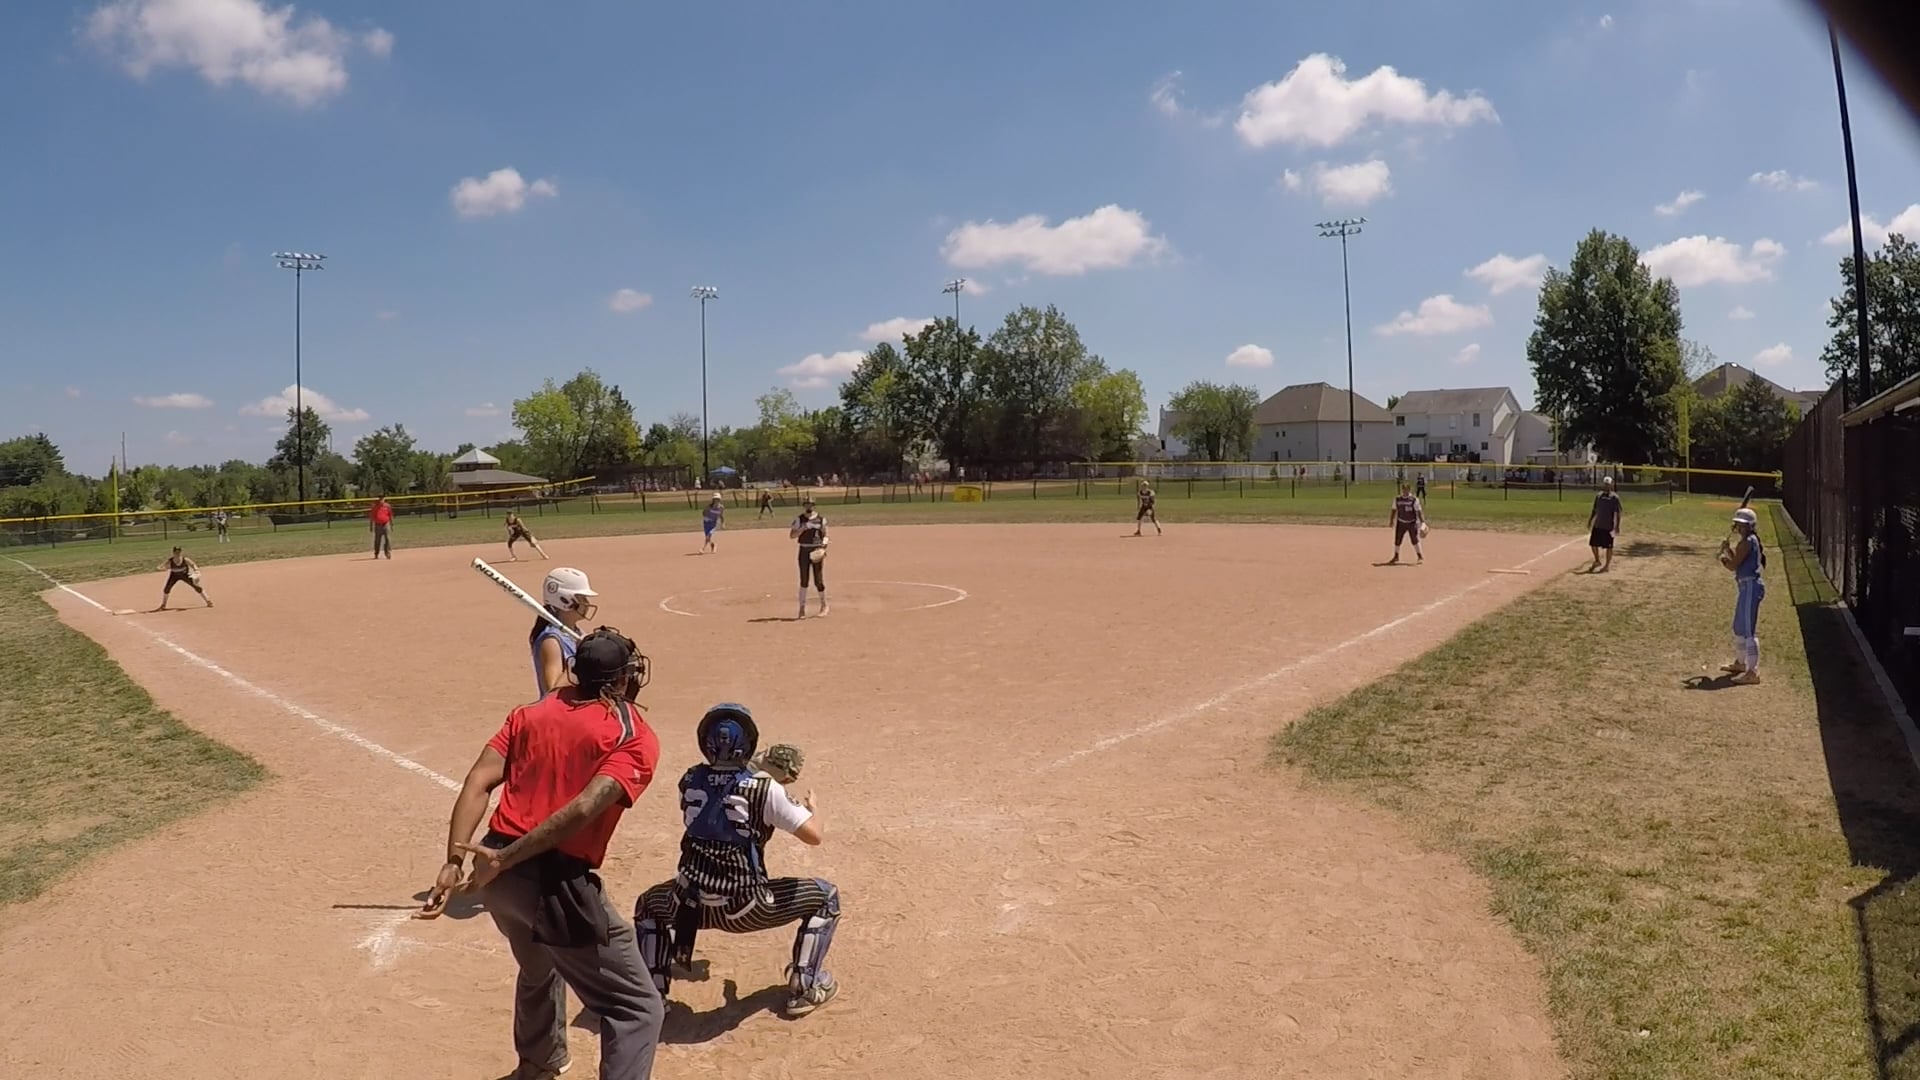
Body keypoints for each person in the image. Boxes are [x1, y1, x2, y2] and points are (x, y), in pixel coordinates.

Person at [420, 627, 665, 1080]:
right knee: (636, 1006)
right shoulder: (631, 734)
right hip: (550, 883)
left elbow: (478, 780)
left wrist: (454, 860)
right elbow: (585, 808)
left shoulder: (530, 713)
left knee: (539, 964)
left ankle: (538, 1063)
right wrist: (510, 857)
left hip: (497, 876)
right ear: (621, 679)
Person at [634, 707, 839, 1017]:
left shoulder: (689, 780)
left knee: (648, 905)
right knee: (826, 897)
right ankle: (805, 988)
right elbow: (814, 836)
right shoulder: (765, 789)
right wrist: (814, 809)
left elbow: (716, 803)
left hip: (689, 906)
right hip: (747, 908)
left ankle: (652, 998)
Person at [531, 568, 613, 698]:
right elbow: (552, 690)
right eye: (582, 598)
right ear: (565, 600)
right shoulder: (551, 640)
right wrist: (579, 659)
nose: (587, 603)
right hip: (561, 709)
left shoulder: (577, 633)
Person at [1717, 507, 1767, 685]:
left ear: (1749, 526)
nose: (1739, 527)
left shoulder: (1748, 542)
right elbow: (1738, 562)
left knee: (1747, 630)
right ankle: (1740, 663)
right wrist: (1727, 550)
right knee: (1738, 627)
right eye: (1738, 524)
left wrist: (1723, 559)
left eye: (1742, 524)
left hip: (1751, 587)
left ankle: (1752, 672)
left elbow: (1732, 566)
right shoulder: (1745, 542)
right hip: (1745, 587)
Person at [789, 498, 829, 618]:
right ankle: (802, 608)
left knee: (818, 580)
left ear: (814, 506)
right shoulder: (799, 519)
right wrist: (802, 528)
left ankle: (824, 605)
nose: (809, 507)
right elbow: (792, 535)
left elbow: (825, 535)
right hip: (804, 550)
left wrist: (824, 546)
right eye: (807, 505)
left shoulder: (821, 519)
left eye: (811, 505)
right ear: (804, 506)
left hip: (816, 549)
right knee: (804, 580)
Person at [1587, 476, 1623, 572]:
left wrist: (1617, 526)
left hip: (1608, 526)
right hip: (1598, 525)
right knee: (1593, 544)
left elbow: (1618, 513)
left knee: (1609, 547)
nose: (1607, 486)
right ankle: (1597, 560)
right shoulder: (1599, 496)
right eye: (1605, 484)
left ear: (1611, 485)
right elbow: (1594, 509)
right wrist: (1590, 520)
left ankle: (1607, 566)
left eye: (1608, 484)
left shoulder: (1615, 498)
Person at [1389, 481, 1424, 565]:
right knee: (1397, 540)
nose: (1405, 491)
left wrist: (1423, 522)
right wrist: (1391, 520)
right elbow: (1394, 510)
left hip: (1412, 523)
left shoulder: (1414, 499)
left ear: (1409, 489)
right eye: (1404, 489)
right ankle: (1396, 556)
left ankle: (1419, 556)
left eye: (1407, 489)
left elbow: (1419, 511)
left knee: (1414, 540)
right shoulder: (1397, 499)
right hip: (1401, 522)